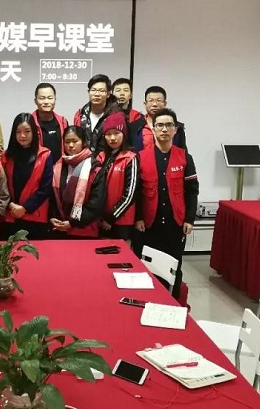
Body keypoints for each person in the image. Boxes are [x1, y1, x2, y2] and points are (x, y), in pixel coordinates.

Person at [134, 108, 198, 296]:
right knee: (148, 268)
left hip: (175, 223)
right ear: (153, 129)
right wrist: (138, 218)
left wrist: (189, 219)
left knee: (174, 267)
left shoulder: (185, 157)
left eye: (169, 125)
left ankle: (174, 305)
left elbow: (192, 191)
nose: (164, 129)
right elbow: (136, 193)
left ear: (175, 130)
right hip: (148, 224)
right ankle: (150, 302)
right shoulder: (140, 157)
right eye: (160, 125)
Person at [0, 113, 53, 241]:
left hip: (35, 217)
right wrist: (11, 205)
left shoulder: (45, 155)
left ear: (34, 132)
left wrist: (25, 208)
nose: (22, 136)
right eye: (18, 132)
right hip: (10, 216)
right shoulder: (6, 156)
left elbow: (45, 188)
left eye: (27, 131)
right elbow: (1, 187)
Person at [49, 125, 106, 238]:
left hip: (85, 230)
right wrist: (52, 217)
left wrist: (72, 223)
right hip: (59, 229)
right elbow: (51, 198)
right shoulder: (58, 167)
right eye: (67, 142)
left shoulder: (95, 168)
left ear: (83, 142)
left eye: (75, 141)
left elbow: (96, 203)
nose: (70, 145)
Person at [96, 112, 139, 241]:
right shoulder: (100, 157)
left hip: (122, 220)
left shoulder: (130, 158)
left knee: (121, 253)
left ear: (124, 134)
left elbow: (130, 195)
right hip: (100, 219)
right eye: (108, 134)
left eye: (116, 133)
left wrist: (110, 218)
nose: (112, 138)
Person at [73, 74, 119, 153]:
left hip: (107, 159)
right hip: (84, 159)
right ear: (88, 92)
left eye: (101, 91)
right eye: (93, 90)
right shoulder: (80, 115)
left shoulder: (116, 116)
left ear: (108, 94)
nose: (97, 94)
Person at [31, 82, 68, 164]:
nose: (46, 101)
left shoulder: (63, 122)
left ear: (55, 100)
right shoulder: (29, 123)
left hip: (60, 168)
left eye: (50, 98)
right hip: (37, 167)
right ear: (35, 101)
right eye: (42, 98)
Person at [112, 77, 149, 152]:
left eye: (126, 90)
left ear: (131, 95)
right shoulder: (105, 116)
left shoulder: (138, 117)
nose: (122, 93)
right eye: (118, 90)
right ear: (111, 94)